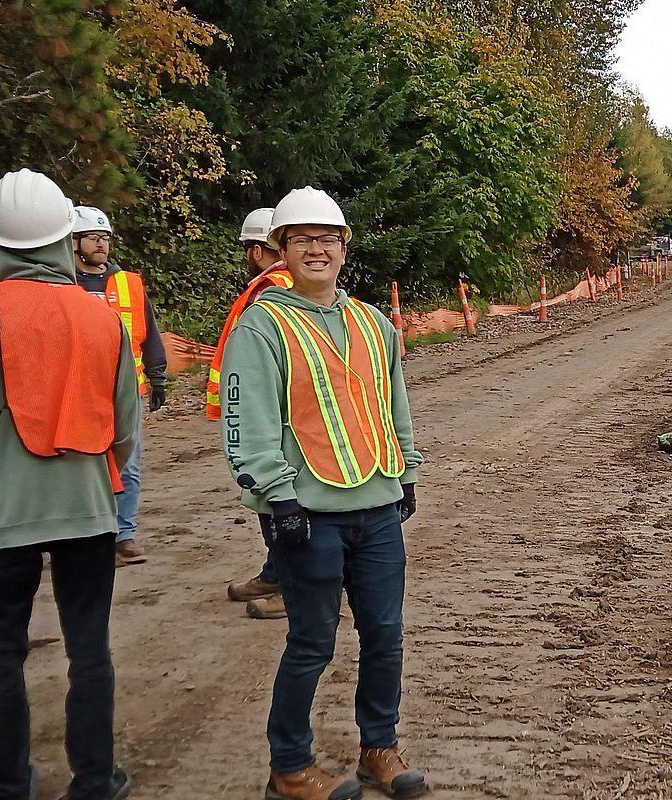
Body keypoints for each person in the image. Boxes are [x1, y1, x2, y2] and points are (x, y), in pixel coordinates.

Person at [221, 187, 427, 800]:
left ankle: (379, 749)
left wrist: (406, 469)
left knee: (385, 634)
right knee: (311, 642)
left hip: (378, 507)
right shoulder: (262, 325)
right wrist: (276, 496)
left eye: (328, 238)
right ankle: (289, 766)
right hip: (308, 514)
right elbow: (248, 420)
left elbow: (394, 404)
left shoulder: (372, 321)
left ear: (344, 247)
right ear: (279, 248)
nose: (317, 248)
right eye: (302, 238)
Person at [0, 169, 140, 800]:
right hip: (85, 511)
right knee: (90, 652)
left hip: (0, 518)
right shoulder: (102, 319)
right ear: (65, 239)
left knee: (2, 655)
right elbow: (125, 430)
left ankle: (5, 783)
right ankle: (95, 780)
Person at [71, 206, 167, 568]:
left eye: (105, 238)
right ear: (74, 242)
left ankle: (124, 534)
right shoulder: (63, 282)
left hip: (127, 390)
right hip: (80, 391)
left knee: (128, 463)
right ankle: (90, 535)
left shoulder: (128, 283)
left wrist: (157, 377)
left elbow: (150, 333)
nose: (101, 244)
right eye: (94, 238)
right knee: (84, 463)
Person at [214, 207, 294, 621]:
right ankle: (277, 573)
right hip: (273, 407)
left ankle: (290, 583)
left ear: (258, 249)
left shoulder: (273, 290)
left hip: (274, 411)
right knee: (271, 499)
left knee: (277, 496)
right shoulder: (280, 285)